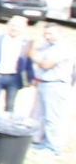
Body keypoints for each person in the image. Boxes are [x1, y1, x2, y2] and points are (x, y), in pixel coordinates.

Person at [28, 21, 70, 154]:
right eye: (45, 33)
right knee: (41, 115)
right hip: (43, 83)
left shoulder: (62, 47)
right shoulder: (48, 45)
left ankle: (53, 147)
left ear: (59, 33)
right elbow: (31, 52)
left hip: (55, 85)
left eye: (50, 34)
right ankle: (42, 142)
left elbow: (47, 64)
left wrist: (35, 58)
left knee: (52, 117)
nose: (47, 36)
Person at [0, 15, 33, 114]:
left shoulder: (27, 43)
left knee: (10, 105)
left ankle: (6, 123)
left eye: (18, 26)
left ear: (24, 29)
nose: (14, 28)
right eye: (12, 25)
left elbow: (29, 62)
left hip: (14, 78)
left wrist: (30, 78)